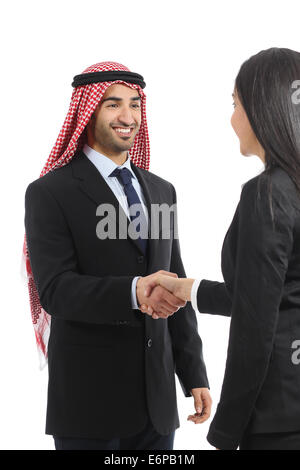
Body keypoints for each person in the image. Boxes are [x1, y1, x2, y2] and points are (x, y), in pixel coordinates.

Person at [23, 61, 212, 450]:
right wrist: (134, 291)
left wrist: (194, 374)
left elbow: (175, 281)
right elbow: (56, 291)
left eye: (136, 104)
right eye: (113, 105)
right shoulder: (50, 193)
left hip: (156, 408)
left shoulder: (162, 190)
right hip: (89, 404)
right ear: (87, 111)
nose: (128, 117)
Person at [140, 47, 300, 450]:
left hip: (279, 416)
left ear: (263, 109)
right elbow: (270, 293)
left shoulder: (267, 193)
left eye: (235, 104)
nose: (232, 118)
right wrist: (188, 288)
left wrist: (226, 431)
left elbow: (256, 325)